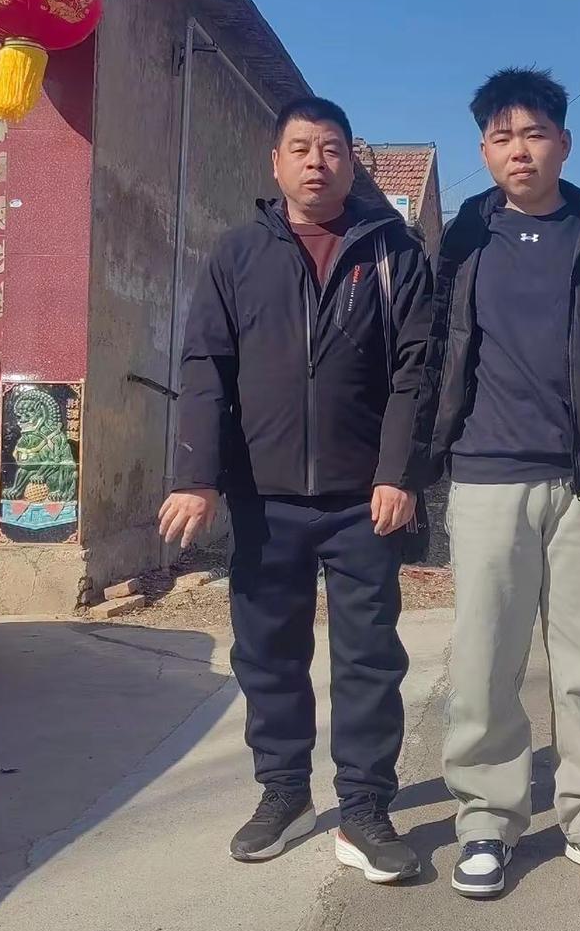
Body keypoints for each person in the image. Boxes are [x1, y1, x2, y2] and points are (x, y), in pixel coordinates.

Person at [158, 96, 432, 882]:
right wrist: (198, 477)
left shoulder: (393, 252)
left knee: (369, 659)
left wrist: (398, 472)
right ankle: (283, 792)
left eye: (332, 148)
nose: (318, 161)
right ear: (276, 163)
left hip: (362, 501)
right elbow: (206, 369)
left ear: (353, 163)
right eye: (302, 148)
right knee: (269, 653)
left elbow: (416, 370)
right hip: (263, 496)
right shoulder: (238, 255)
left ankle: (365, 809)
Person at [414, 68, 580, 898]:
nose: (518, 150)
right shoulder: (463, 239)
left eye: (534, 133)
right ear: (484, 150)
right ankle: (487, 819)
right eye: (501, 136)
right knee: (486, 659)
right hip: (488, 474)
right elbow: (432, 353)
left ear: (564, 142)